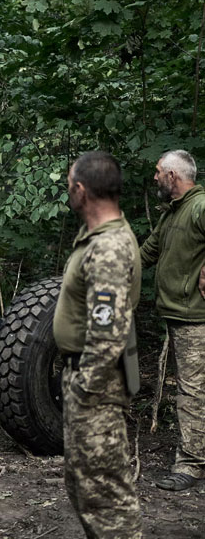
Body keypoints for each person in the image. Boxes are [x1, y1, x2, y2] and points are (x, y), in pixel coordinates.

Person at [53, 151, 142, 538]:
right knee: (86, 488)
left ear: (81, 190)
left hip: (96, 390)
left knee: (107, 500)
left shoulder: (107, 248)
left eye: (69, 185)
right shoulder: (99, 239)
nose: (68, 192)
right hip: (89, 385)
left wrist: (84, 388)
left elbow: (108, 333)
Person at [140, 149, 205, 491]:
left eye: (158, 171)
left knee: (191, 392)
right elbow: (148, 252)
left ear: (173, 176)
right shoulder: (174, 213)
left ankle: (191, 466)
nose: (154, 177)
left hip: (197, 318)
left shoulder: (200, 205)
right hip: (179, 314)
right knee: (193, 389)